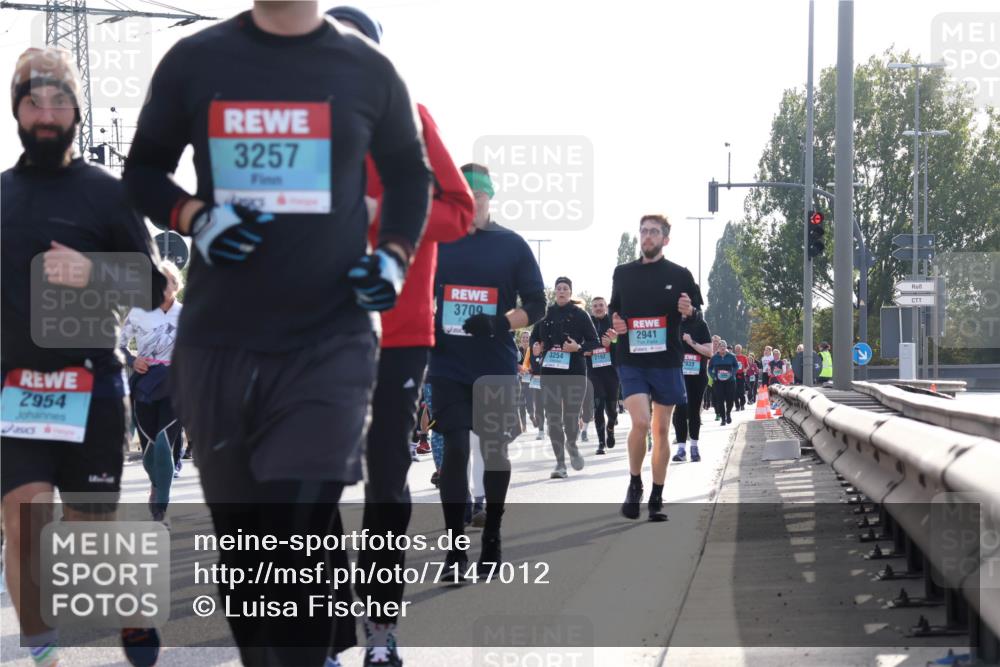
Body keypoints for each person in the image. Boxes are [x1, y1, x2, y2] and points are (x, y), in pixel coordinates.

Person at [122, 2, 432, 663]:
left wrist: (395, 255)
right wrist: (195, 213)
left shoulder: (366, 69)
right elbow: (143, 168)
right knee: (249, 546)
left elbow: (411, 174)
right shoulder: (196, 60)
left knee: (292, 532)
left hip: (331, 341)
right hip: (219, 344)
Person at [2, 46, 168, 667]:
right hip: (18, 388)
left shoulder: (107, 194)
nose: (46, 113)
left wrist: (94, 272)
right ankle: (42, 653)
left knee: (88, 534)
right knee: (23, 522)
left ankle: (131, 610)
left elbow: (159, 289)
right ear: (17, 111)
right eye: (32, 101)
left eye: (58, 101)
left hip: (92, 385)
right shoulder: (3, 196)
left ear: (76, 110)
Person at [324, 7, 476, 665]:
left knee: (385, 480)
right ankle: (326, 628)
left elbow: (460, 210)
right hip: (313, 330)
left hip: (398, 330)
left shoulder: (407, 116)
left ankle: (380, 625)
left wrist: (373, 213)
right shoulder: (295, 125)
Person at [428, 163, 546, 573]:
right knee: (456, 451)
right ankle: (455, 548)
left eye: (476, 195)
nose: (469, 203)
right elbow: (417, 294)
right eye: (460, 195)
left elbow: (536, 304)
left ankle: (492, 533)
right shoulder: (437, 242)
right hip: (447, 363)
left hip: (493, 364)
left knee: (494, 451)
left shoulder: (510, 245)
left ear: (488, 197)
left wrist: (499, 322)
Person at [609, 214, 702, 522]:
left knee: (661, 429)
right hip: (631, 359)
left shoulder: (680, 274)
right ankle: (635, 483)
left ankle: (657, 496)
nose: (647, 236)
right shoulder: (623, 273)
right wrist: (615, 321)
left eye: (654, 232)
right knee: (640, 422)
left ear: (665, 239)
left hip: (666, 360)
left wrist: (687, 311)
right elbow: (614, 308)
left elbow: (694, 311)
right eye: (644, 231)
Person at [118, 262, 183, 524]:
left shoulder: (187, 314)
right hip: (145, 385)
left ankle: (160, 511)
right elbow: (118, 345)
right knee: (150, 450)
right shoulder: (138, 311)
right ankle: (156, 486)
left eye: (164, 281)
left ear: (176, 285)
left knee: (164, 444)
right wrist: (133, 360)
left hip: (177, 386)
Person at [531, 277, 600, 478]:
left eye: (565, 288)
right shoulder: (545, 315)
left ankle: (571, 443)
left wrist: (577, 347)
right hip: (550, 373)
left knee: (570, 417)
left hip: (574, 373)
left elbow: (594, 342)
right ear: (555, 292)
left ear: (570, 292)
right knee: (553, 418)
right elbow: (535, 337)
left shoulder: (580, 315)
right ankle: (560, 464)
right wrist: (535, 346)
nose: (561, 291)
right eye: (558, 288)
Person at [671, 311, 712, 462]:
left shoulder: (701, 324)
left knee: (694, 410)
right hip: (678, 374)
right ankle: (681, 449)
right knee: (680, 410)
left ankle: (694, 447)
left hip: (697, 373)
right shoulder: (672, 323)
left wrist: (690, 342)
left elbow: (709, 352)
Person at [587, 296, 620, 455]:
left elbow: (623, 344)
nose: (598, 308)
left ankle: (611, 427)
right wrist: (585, 349)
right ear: (591, 308)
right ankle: (601, 443)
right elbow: (581, 343)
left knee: (612, 411)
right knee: (598, 406)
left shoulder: (613, 322)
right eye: (595, 306)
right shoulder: (588, 324)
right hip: (593, 372)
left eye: (601, 305)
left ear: (606, 307)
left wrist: (613, 342)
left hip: (612, 371)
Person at [707, 340, 739, 424]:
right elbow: (709, 368)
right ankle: (723, 418)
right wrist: (713, 376)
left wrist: (732, 374)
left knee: (730, 400)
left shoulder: (731, 356)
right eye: (721, 346)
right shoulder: (714, 357)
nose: (722, 348)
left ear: (726, 348)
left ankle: (728, 413)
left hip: (730, 381)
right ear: (718, 348)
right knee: (719, 400)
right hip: (718, 382)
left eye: (724, 346)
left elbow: (736, 366)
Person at [733, 343, 749, 411]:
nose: (738, 350)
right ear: (735, 350)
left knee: (741, 391)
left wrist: (745, 369)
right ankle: (737, 406)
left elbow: (747, 366)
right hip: (734, 375)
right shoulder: (733, 357)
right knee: (735, 391)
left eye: (739, 349)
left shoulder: (744, 357)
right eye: (736, 349)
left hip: (741, 375)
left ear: (741, 350)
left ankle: (742, 404)